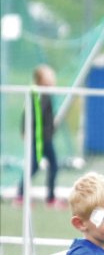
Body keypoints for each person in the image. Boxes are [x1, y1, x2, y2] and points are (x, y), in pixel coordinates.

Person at [16, 65, 63, 208]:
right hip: (41, 138)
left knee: (36, 166)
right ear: (42, 79)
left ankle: (22, 195)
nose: (52, 78)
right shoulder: (39, 94)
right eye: (49, 76)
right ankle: (47, 198)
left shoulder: (43, 93)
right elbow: (34, 114)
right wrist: (26, 130)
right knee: (50, 166)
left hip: (43, 137)